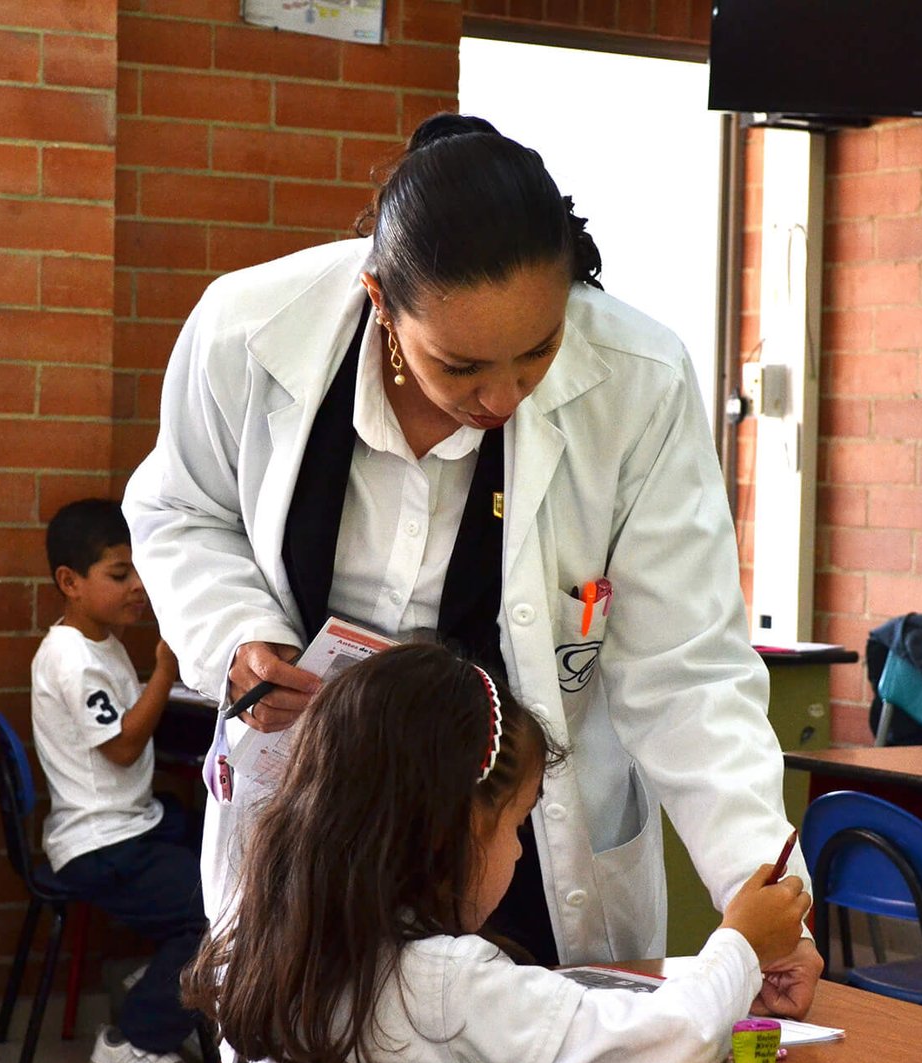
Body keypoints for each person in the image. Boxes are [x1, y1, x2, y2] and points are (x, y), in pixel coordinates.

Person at [123, 112, 823, 1015]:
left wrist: (761, 888)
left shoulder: (639, 379)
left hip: (517, 834)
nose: (501, 398)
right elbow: (180, 509)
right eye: (459, 368)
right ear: (380, 300)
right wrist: (236, 637)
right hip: (320, 824)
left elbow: (687, 671)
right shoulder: (247, 330)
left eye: (537, 353)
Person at [182, 643, 811, 1063]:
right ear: (448, 833)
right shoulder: (450, 982)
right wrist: (743, 942)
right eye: (515, 825)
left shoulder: (261, 948)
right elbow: (681, 1033)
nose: (517, 851)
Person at [31, 498, 207, 1063]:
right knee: (218, 913)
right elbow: (124, 747)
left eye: (140, 573)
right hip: (100, 843)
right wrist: (165, 670)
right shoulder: (72, 658)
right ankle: (136, 1040)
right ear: (69, 583)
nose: (137, 588)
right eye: (119, 575)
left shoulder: (100, 640)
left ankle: (159, 981)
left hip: (133, 824)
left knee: (217, 847)